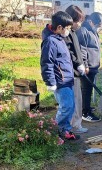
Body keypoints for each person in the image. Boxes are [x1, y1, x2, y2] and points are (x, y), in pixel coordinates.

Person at [41, 11, 79, 140]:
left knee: (70, 106)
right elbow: (47, 63)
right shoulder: (50, 42)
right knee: (66, 107)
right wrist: (50, 82)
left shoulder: (59, 39)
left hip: (67, 80)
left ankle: (65, 129)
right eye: (67, 28)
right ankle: (58, 130)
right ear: (59, 28)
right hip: (60, 81)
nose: (68, 31)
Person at [65, 5, 88, 134]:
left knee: (77, 100)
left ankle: (76, 124)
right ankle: (73, 126)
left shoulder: (72, 32)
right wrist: (78, 64)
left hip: (77, 72)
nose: (79, 24)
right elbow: (69, 52)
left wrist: (82, 63)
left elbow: (78, 51)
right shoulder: (65, 34)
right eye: (78, 21)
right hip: (71, 73)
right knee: (73, 101)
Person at [77, 12, 102, 122]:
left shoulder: (92, 31)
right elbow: (82, 50)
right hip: (88, 67)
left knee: (88, 89)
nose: (98, 27)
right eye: (97, 25)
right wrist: (86, 65)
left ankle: (86, 106)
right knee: (86, 90)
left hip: (93, 66)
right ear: (91, 22)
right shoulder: (84, 31)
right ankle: (85, 112)